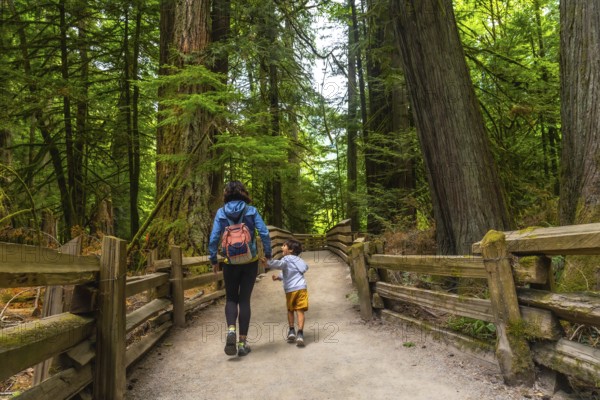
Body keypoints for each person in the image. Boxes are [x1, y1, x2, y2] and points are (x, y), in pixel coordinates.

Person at [209, 181, 272, 357]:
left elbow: (214, 237)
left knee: (231, 299)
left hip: (230, 262)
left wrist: (213, 258)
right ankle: (242, 343)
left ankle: (230, 331)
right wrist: (268, 253)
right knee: (244, 300)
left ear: (226, 194)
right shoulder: (250, 210)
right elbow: (264, 233)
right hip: (249, 260)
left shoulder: (221, 212)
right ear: (243, 193)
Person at [265, 239, 309, 347]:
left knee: (290, 310)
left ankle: (291, 331)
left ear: (290, 250)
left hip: (290, 290)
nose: (281, 248)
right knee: (300, 310)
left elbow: (280, 264)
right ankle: (300, 334)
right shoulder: (299, 260)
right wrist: (279, 277)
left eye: (284, 246)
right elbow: (300, 268)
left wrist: (268, 262)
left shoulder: (286, 259)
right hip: (301, 288)